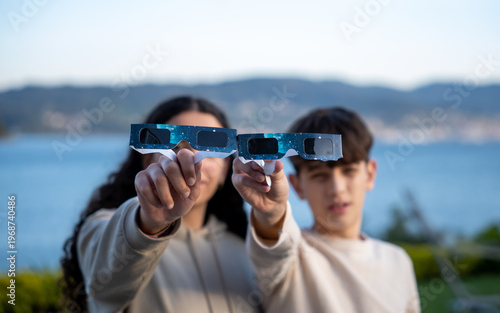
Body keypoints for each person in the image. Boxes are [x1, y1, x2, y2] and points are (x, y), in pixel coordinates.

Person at [61, 96, 261, 313]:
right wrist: (148, 223)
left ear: (225, 169)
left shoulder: (247, 249)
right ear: (148, 160)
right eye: (177, 147)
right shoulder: (110, 229)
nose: (193, 159)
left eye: (211, 149)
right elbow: (107, 276)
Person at [232, 107, 421, 313]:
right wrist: (272, 211)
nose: (336, 189)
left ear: (370, 174)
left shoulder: (398, 261)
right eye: (318, 175)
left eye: (348, 171)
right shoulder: (291, 257)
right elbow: (274, 247)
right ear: (297, 186)